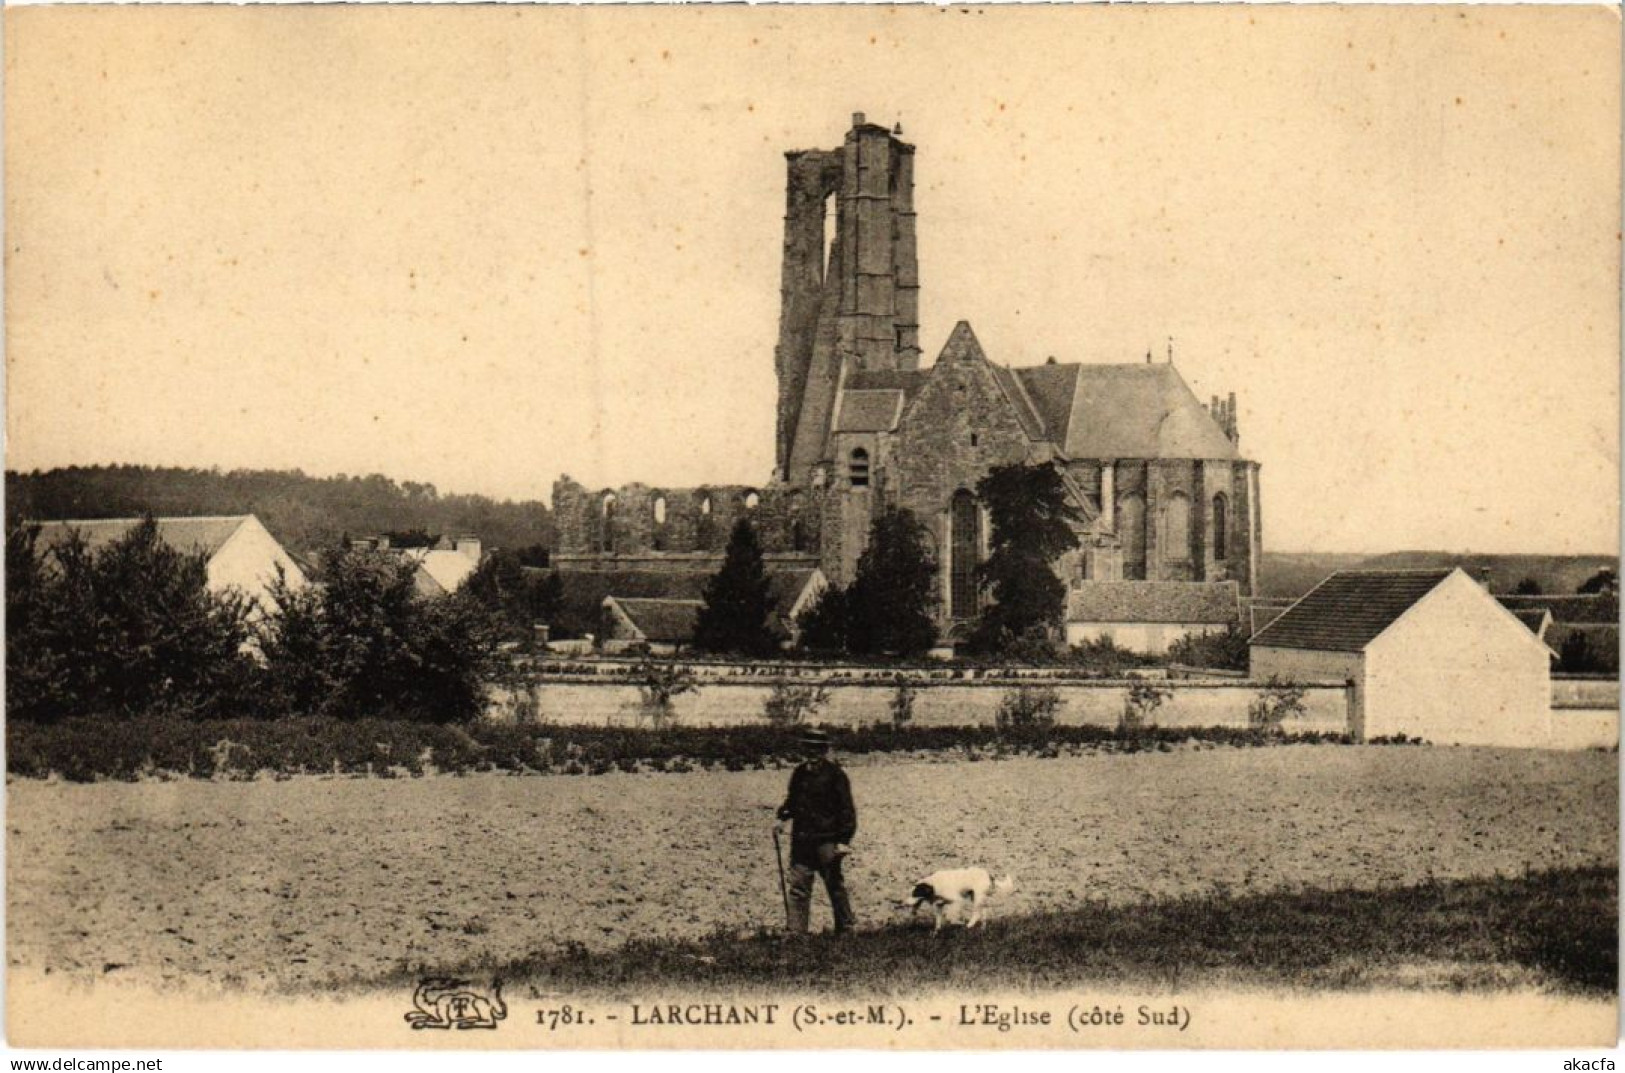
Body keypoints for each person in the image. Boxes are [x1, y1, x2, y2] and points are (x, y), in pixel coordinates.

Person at [775, 727, 856, 934]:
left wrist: (844, 840)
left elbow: (846, 809)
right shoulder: (799, 773)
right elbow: (793, 801)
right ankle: (796, 933)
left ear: (824, 750)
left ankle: (846, 928)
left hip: (827, 840)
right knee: (798, 886)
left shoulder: (835, 775)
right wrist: (782, 818)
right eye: (808, 748)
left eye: (816, 748)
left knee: (834, 885)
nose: (812, 752)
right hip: (802, 840)